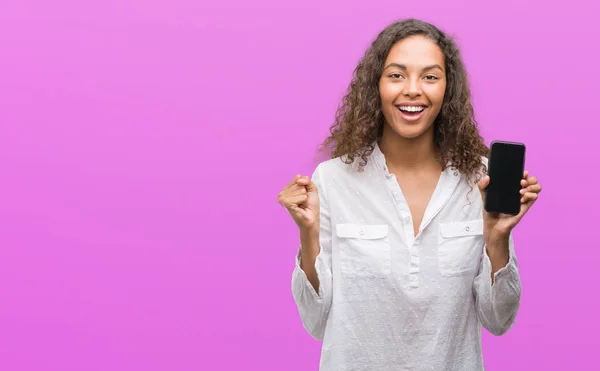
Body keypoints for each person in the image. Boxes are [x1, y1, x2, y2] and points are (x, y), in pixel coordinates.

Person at [277, 18, 542, 371]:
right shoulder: (332, 179)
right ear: (377, 86)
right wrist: (307, 235)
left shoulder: (480, 180)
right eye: (397, 75)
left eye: (430, 77)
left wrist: (498, 240)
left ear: (447, 90)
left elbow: (498, 319)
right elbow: (315, 321)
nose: (413, 90)